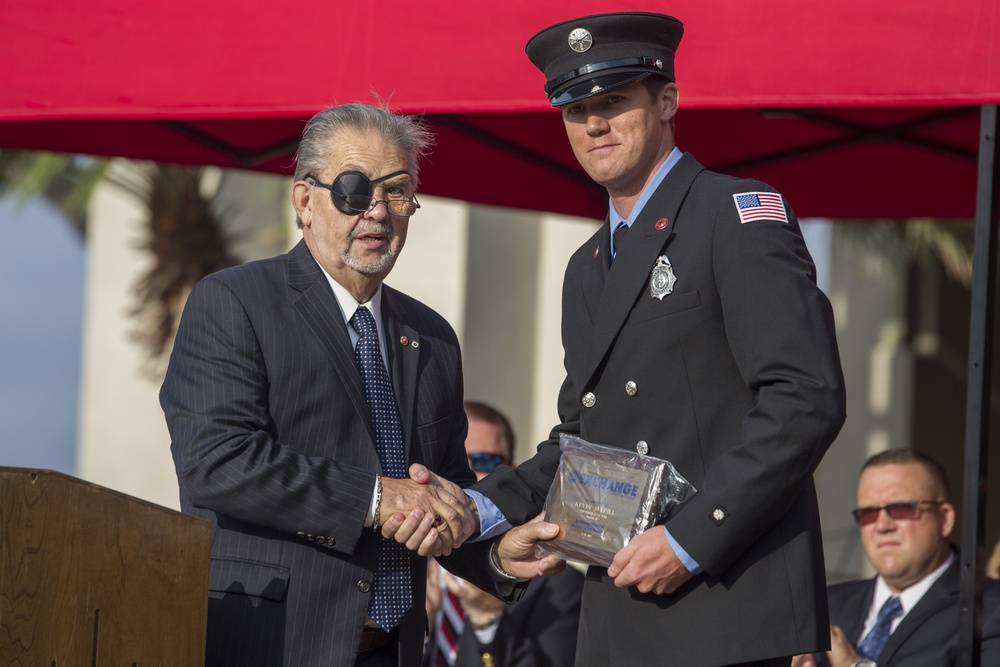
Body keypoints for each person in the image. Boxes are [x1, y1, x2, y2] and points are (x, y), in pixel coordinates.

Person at [459, 12, 847, 667]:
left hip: (726, 607)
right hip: (619, 619)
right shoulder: (586, 268)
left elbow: (805, 396)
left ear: (666, 99)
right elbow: (581, 442)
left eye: (613, 100)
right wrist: (471, 509)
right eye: (575, 109)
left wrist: (692, 539)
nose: (594, 124)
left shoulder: (734, 214)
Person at [160, 103, 550, 667]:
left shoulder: (431, 336)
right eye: (352, 189)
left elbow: (442, 493)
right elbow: (216, 460)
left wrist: (495, 558)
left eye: (397, 191)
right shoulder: (235, 302)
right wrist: (374, 497)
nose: (377, 210)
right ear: (304, 201)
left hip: (394, 649)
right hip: (270, 640)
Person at [793, 450, 1000, 667]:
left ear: (944, 518)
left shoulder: (989, 609)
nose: (882, 526)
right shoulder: (826, 605)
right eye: (869, 513)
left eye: (901, 509)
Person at [424, 401, 583, 667]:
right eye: (458, 463)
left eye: (486, 461)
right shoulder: (407, 567)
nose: (471, 474)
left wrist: (488, 623)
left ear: (511, 470)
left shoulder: (556, 583)